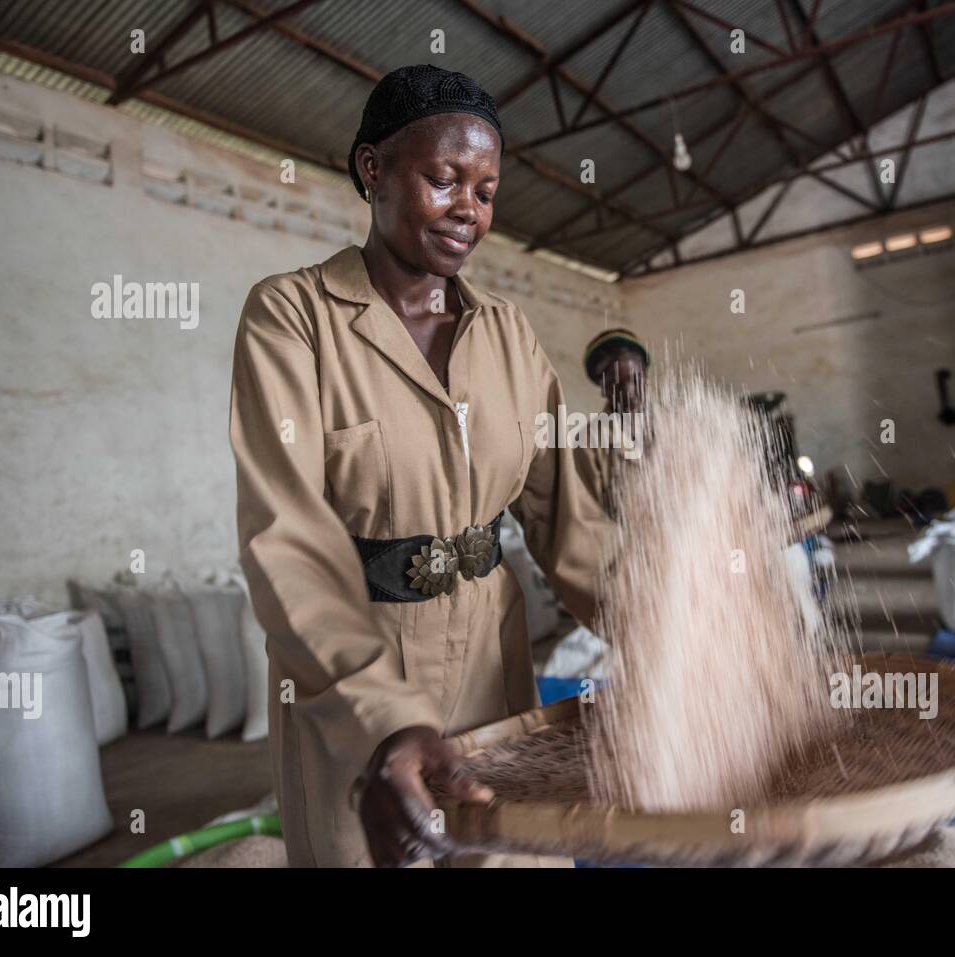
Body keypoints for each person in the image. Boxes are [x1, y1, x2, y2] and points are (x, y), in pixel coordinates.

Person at [229, 65, 612, 868]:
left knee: (511, 853)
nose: (467, 211)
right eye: (443, 180)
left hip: (494, 662)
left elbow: (567, 519)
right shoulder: (293, 317)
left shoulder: (508, 334)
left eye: (485, 190)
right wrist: (382, 723)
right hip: (353, 668)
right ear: (372, 170)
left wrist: (664, 628)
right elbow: (286, 536)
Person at [579, 327, 650, 518]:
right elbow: (589, 518)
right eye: (615, 384)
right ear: (603, 389)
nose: (629, 392)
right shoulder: (587, 443)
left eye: (635, 379)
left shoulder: (676, 426)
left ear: (646, 376)